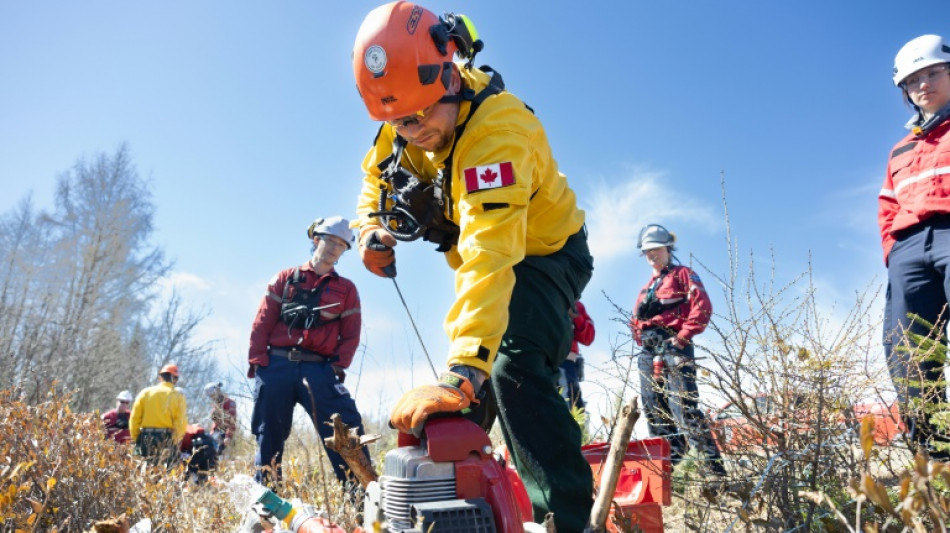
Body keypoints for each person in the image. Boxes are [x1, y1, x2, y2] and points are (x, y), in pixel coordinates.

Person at [352, 3, 595, 530]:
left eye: (417, 116)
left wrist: (465, 369)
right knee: (461, 405)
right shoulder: (405, 121)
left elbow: (490, 256)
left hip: (544, 254)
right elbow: (376, 173)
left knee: (511, 366)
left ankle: (566, 516)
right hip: (492, 260)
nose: (410, 130)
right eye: (396, 120)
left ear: (450, 75)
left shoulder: (498, 133)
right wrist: (369, 226)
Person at [247, 216, 370, 486]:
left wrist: (337, 367)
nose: (334, 248)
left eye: (341, 245)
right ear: (316, 239)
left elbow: (351, 334)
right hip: (277, 366)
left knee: (345, 429)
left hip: (319, 369)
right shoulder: (285, 278)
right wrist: (259, 363)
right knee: (269, 436)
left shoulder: (346, 289)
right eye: (330, 240)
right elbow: (262, 321)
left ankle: (365, 503)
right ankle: (266, 506)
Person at [879, 34, 950, 461]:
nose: (923, 84)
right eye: (913, 80)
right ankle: (938, 464)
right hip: (909, 250)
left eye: (932, 73)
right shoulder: (900, 148)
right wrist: (894, 254)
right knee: (909, 355)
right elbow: (887, 205)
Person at [628, 224, 728, 490]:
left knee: (684, 408)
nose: (652, 255)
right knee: (654, 411)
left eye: (657, 249)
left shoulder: (684, 275)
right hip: (649, 352)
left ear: (668, 248)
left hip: (674, 346)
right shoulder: (645, 288)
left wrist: (682, 337)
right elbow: (636, 321)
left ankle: (715, 475)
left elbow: (702, 306)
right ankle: (670, 479)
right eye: (648, 251)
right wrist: (641, 336)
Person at [129, 363, 188, 467]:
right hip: (166, 438)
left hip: (145, 437)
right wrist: (174, 441)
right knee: (166, 473)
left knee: (143, 472)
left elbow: (134, 418)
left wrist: (137, 438)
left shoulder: (145, 393)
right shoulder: (178, 396)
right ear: (175, 379)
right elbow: (181, 423)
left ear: (160, 377)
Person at [559, 301, 594, 412]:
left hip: (568, 365)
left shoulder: (575, 304)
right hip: (542, 362)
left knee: (575, 407)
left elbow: (588, 337)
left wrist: (575, 315)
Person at [203, 381, 237, 454]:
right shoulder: (216, 406)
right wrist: (211, 433)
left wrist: (228, 436)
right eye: (210, 396)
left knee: (215, 451)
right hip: (217, 434)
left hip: (226, 434)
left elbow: (232, 422)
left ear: (218, 391)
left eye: (213, 395)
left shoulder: (229, 403)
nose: (212, 398)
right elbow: (215, 423)